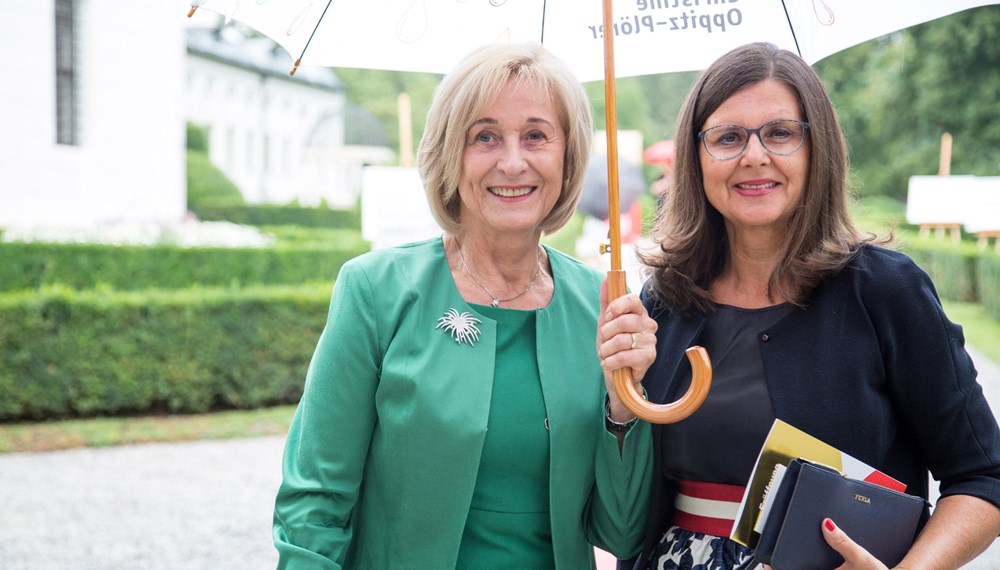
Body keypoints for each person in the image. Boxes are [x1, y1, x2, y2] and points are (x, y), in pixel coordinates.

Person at [272, 42, 657, 569]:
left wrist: (622, 406)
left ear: (568, 158)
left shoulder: (603, 309)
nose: (513, 161)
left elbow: (622, 532)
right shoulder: (375, 291)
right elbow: (315, 502)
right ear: (451, 154)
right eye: (486, 136)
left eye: (537, 136)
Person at [622, 42, 1000, 569]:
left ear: (815, 147)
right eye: (727, 137)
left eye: (779, 133)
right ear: (695, 158)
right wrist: (618, 401)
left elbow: (983, 477)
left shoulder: (885, 291)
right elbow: (627, 497)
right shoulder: (663, 301)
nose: (754, 155)